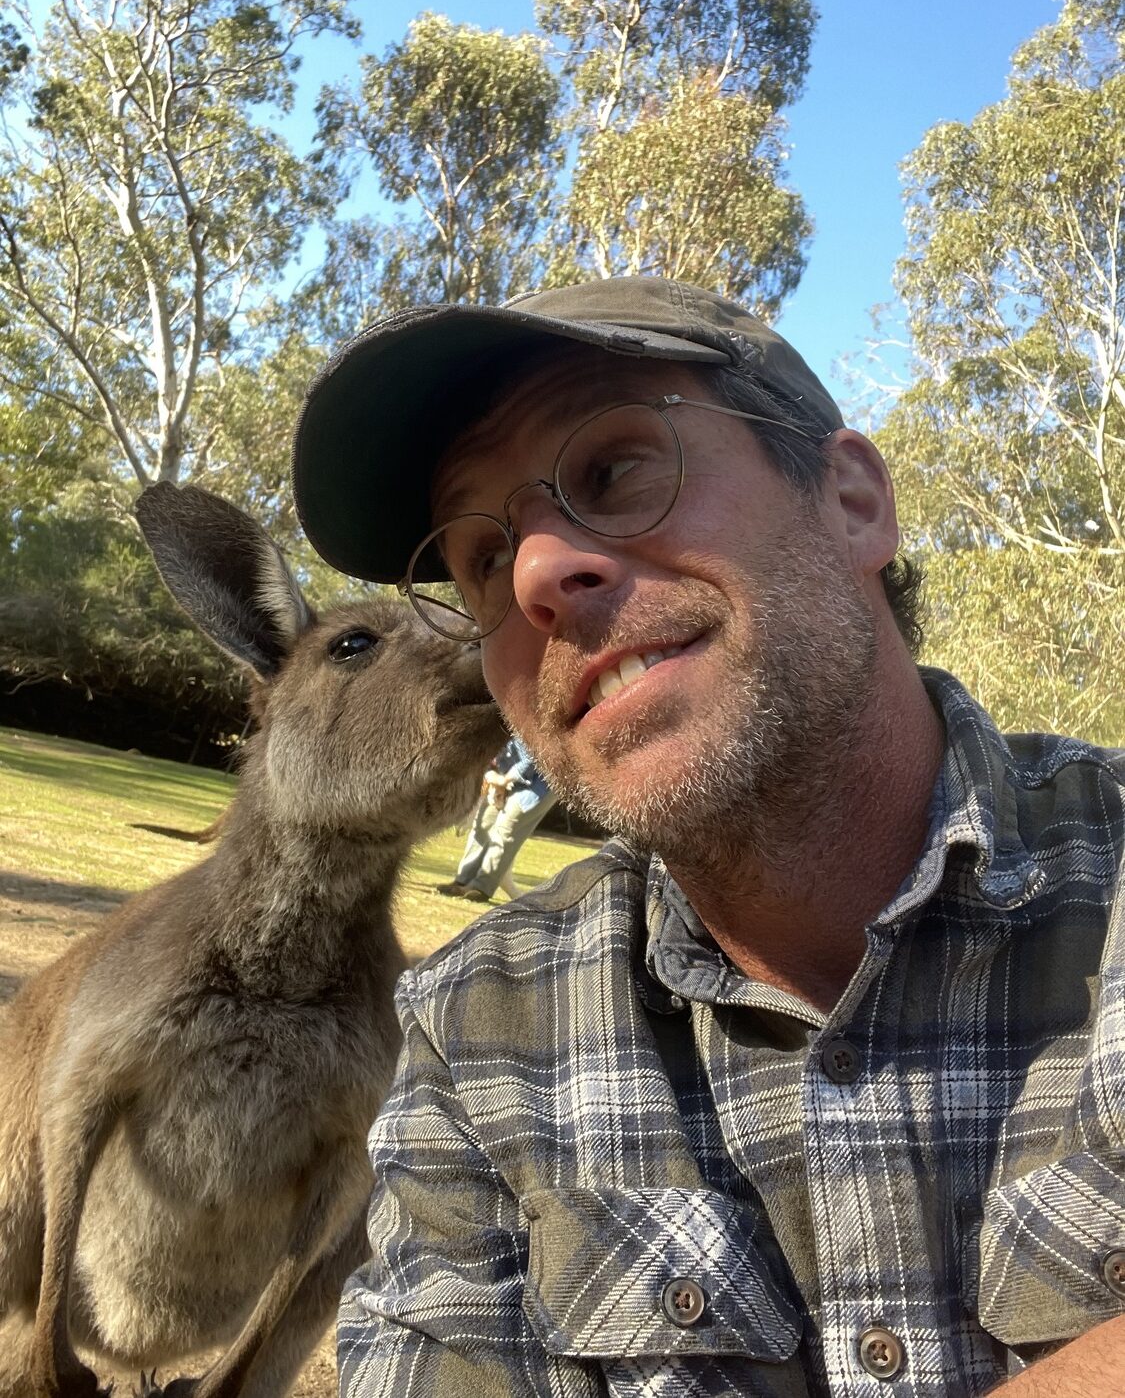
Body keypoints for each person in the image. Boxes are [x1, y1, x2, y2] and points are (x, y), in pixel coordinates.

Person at [291, 277, 1125, 1397]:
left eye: (617, 469)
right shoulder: (474, 1034)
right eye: (483, 557)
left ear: (852, 501)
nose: (536, 573)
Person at [440, 735, 558, 900]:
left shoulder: (518, 724)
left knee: (505, 829)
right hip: (503, 775)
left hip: (537, 785)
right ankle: (462, 882)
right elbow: (483, 760)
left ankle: (481, 888)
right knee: (484, 822)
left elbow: (531, 759)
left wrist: (503, 780)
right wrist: (494, 780)